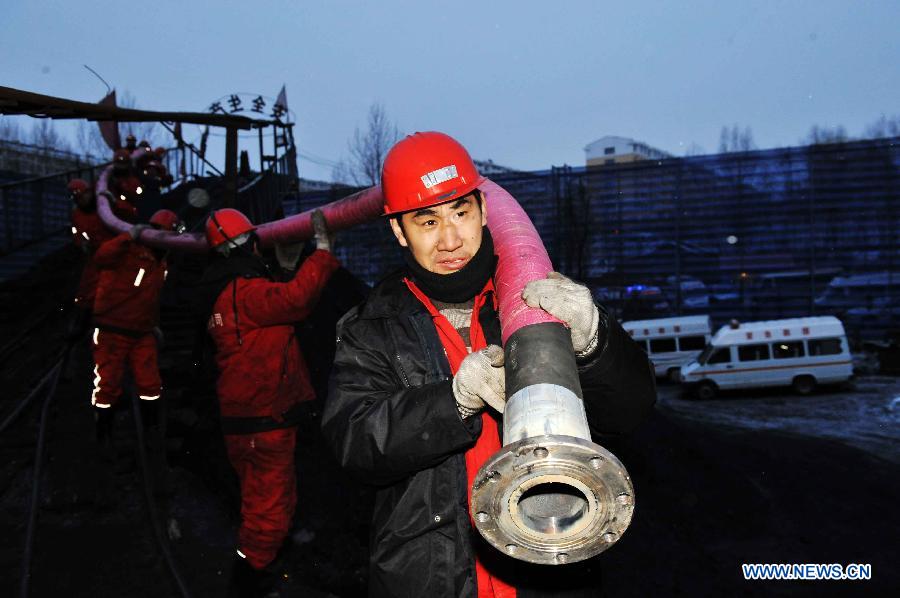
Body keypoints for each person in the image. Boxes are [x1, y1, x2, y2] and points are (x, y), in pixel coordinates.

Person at [322, 131, 657, 597]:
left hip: (548, 567)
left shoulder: (533, 303)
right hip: (428, 580)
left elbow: (629, 412)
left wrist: (594, 343)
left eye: (460, 213)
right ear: (399, 231)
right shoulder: (372, 327)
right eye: (427, 222)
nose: (450, 238)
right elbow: (355, 444)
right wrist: (452, 401)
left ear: (483, 210)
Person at [197, 208, 340, 597]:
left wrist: (287, 265)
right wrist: (323, 251)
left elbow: (275, 311)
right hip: (265, 423)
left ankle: (263, 573)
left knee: (268, 505)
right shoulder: (243, 292)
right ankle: (247, 586)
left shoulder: (225, 292)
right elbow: (294, 300)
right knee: (268, 517)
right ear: (245, 244)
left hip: (249, 422)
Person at [90, 209, 181, 488]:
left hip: (141, 332)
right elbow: (100, 258)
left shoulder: (162, 260)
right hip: (112, 329)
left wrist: (152, 325)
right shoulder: (128, 249)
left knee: (150, 386)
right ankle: (102, 433)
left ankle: (151, 431)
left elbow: (149, 298)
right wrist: (128, 236)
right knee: (107, 387)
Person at [69, 179, 115, 329]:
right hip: (95, 254)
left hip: (115, 251)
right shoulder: (77, 215)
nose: (82, 200)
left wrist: (113, 202)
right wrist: (81, 242)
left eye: (83, 195)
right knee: (87, 288)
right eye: (78, 198)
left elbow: (125, 215)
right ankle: (84, 322)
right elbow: (77, 232)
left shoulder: (104, 205)